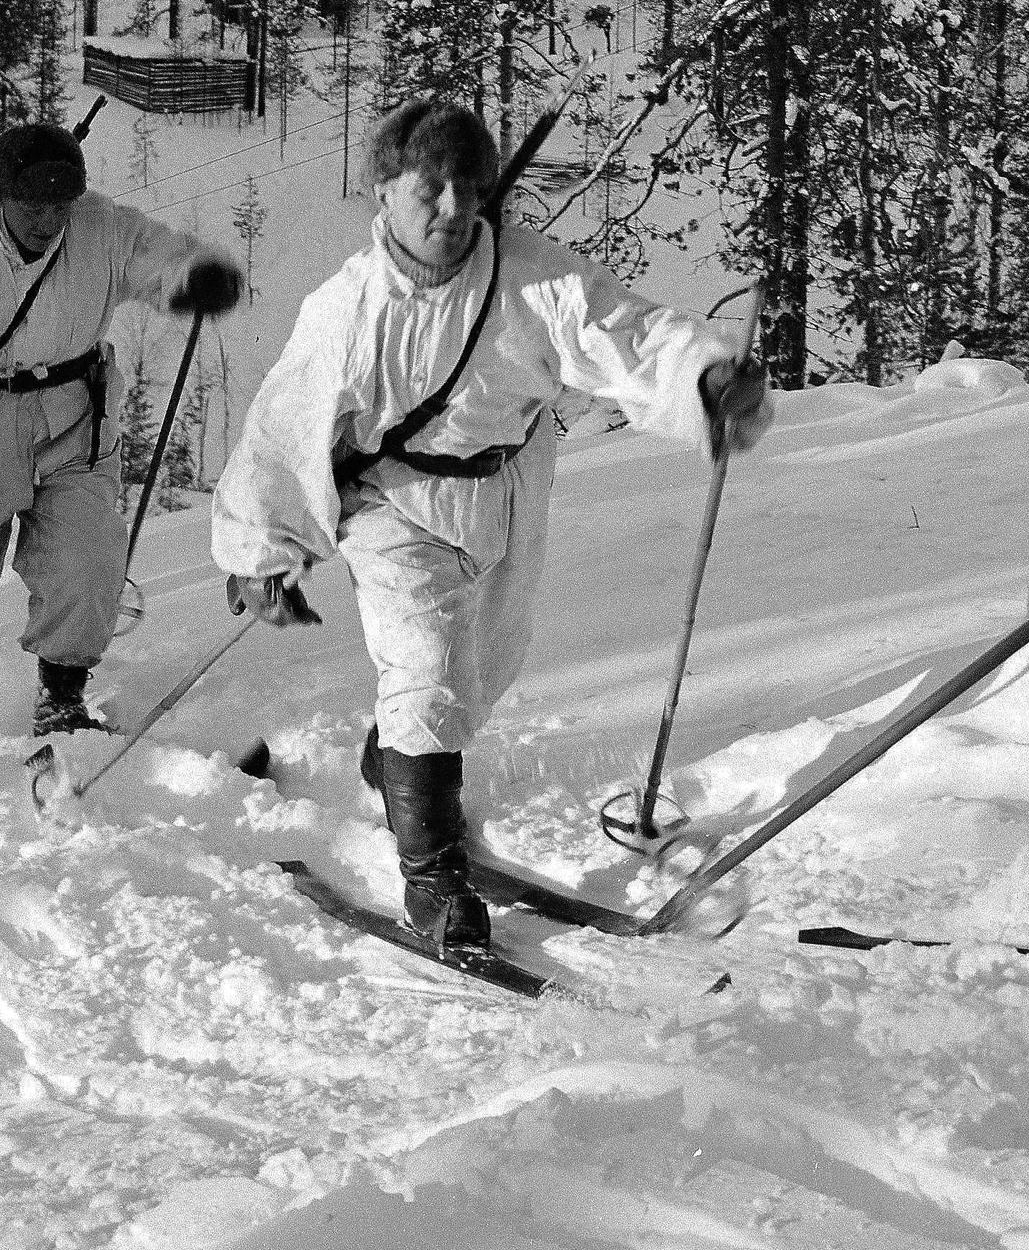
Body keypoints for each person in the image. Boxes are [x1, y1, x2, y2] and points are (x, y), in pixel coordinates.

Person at [212, 98, 772, 949]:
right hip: (396, 509)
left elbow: (627, 334)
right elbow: (280, 436)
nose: (452, 207)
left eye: (467, 187)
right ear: (385, 193)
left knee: (482, 669)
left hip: (510, 489)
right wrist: (260, 553)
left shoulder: (534, 278)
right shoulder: (347, 311)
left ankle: (389, 765)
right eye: (430, 188)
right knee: (429, 670)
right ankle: (433, 878)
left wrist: (705, 379)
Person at [0, 121, 243, 752]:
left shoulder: (99, 227)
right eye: (31, 204)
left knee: (86, 563)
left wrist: (194, 276)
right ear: (0, 194)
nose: (46, 219)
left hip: (72, 422)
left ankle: (62, 699)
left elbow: (158, 254)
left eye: (59, 205)